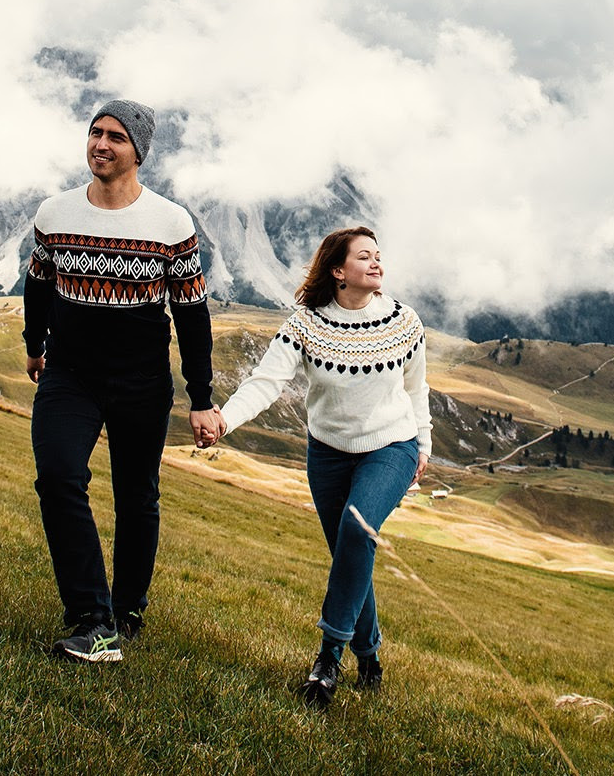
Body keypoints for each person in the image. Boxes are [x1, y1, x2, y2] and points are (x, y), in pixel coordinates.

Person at [196, 226, 430, 706]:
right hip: (327, 454)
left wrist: (423, 444)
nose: (376, 262)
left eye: (379, 255)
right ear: (339, 271)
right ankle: (370, 656)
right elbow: (266, 382)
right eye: (364, 257)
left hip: (392, 447)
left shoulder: (405, 322)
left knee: (356, 530)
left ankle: (328, 660)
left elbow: (416, 389)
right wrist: (224, 420)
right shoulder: (305, 323)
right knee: (350, 550)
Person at [25, 98, 223, 663]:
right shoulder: (55, 211)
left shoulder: (170, 222)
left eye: (115, 137)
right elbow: (37, 283)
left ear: (139, 151)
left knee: (137, 499)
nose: (101, 145)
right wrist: (33, 345)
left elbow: (192, 313)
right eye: (95, 133)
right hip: (70, 374)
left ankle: (128, 609)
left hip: (140, 382)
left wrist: (201, 398)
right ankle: (92, 616)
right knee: (59, 479)